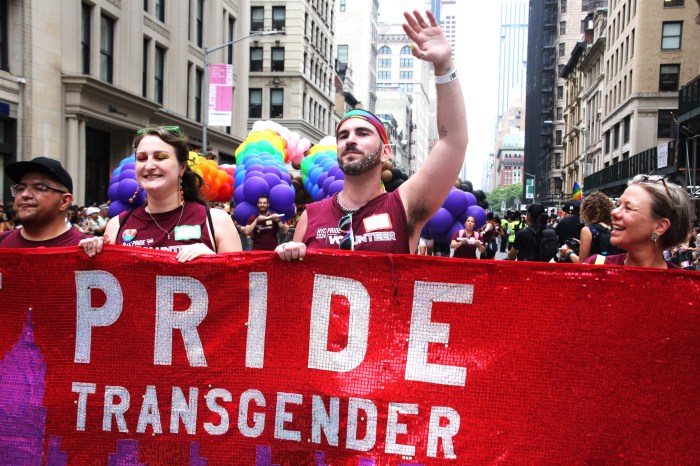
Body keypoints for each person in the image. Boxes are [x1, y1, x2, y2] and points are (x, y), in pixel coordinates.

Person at [276, 10, 467, 260]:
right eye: (343, 136)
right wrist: (286, 257)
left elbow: (452, 142)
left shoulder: (403, 206)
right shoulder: (311, 216)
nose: (350, 140)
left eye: (363, 133)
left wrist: (444, 66)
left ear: (386, 151)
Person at [80, 126, 241, 261]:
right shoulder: (117, 226)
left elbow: (241, 290)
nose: (149, 165)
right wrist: (93, 253)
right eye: (142, 158)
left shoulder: (217, 222)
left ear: (182, 168)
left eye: (160, 157)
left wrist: (215, 262)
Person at [584, 175, 693, 269]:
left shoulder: (684, 285)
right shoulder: (596, 267)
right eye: (618, 205)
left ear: (660, 226)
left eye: (628, 208)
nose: (614, 212)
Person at [0, 156, 85, 247]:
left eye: (39, 188)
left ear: (64, 201)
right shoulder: (2, 242)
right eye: (20, 188)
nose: (25, 194)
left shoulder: (87, 249)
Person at [560, 191, 624, 263]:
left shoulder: (588, 230)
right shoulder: (614, 227)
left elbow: (582, 263)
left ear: (586, 211)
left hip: (597, 271)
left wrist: (568, 252)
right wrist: (582, 244)